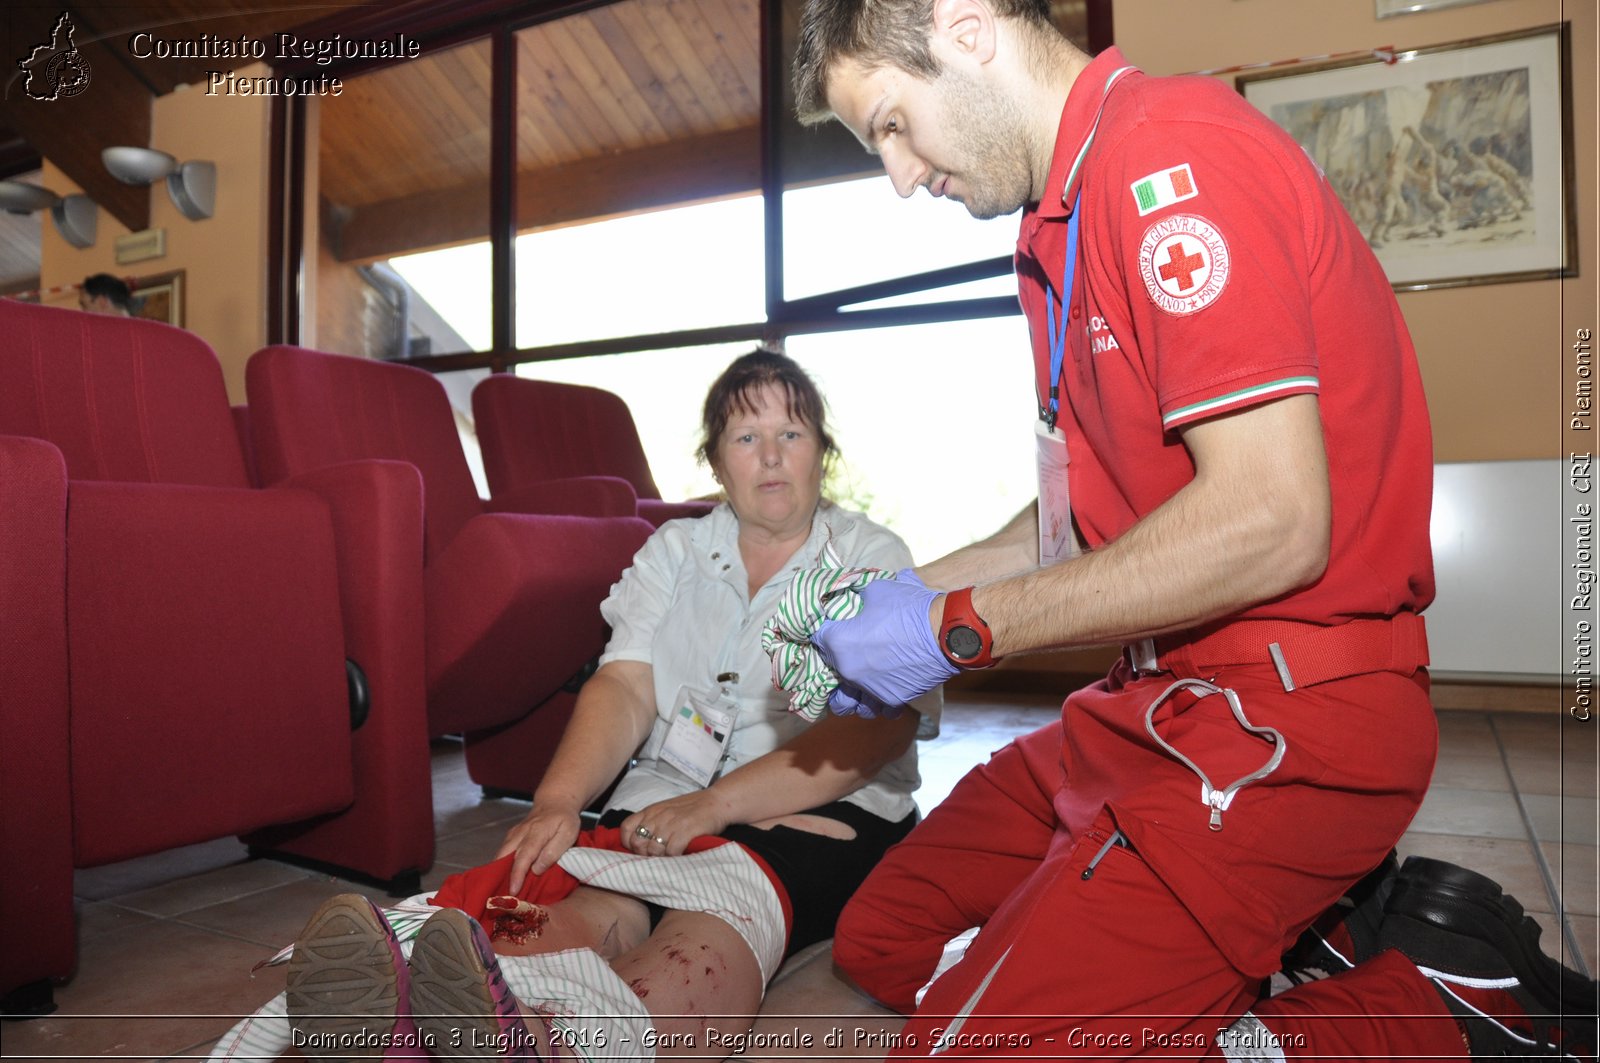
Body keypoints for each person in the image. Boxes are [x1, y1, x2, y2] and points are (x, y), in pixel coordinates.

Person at [782, 1, 1596, 1059]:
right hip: (1150, 705)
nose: (897, 174)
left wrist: (955, 629)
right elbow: (1075, 524)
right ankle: (1306, 930)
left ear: (966, 25)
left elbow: (1271, 520)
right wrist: (890, 604)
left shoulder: (1165, 155)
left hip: (1281, 719)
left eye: (891, 124)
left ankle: (1436, 1002)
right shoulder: (1055, 230)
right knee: (881, 935)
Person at [233, 349, 937, 1062]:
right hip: (666, 795)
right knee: (592, 907)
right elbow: (625, 684)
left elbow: (874, 731)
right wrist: (559, 800)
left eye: (792, 433)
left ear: (824, 452)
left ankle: (542, 1045)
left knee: (712, 924)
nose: (772, 455)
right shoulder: (675, 549)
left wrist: (717, 805)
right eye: (746, 437)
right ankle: (412, 1012)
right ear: (717, 463)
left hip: (813, 808)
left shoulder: (870, 556)